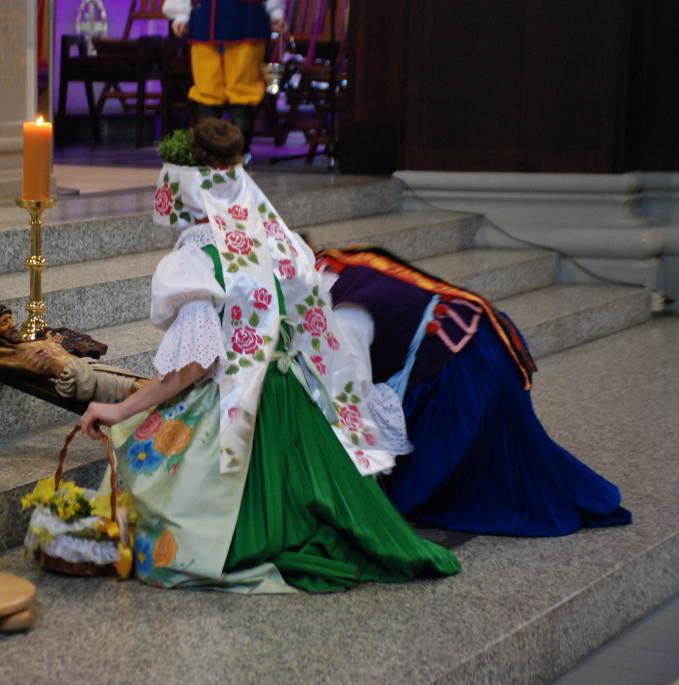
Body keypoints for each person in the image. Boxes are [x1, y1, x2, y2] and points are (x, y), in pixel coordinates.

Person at [79, 120, 460, 592]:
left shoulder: (195, 263)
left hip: (236, 408)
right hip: (295, 399)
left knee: (145, 474)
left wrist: (119, 409)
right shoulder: (282, 243)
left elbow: (194, 366)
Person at [315, 246, 633, 537]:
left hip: (469, 374)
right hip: (471, 349)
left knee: (446, 491)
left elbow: (347, 398)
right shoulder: (333, 265)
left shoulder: (342, 315)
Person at [162, 0, 288, 160]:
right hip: (206, 21)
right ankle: (209, 153)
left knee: (244, 90)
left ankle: (239, 153)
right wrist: (181, 14)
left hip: (246, 20)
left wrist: (276, 13)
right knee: (206, 89)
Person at [0, 305, 147, 403]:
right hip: (79, 378)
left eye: (10, 319)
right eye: (4, 323)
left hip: (89, 368)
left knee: (143, 383)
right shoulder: (1, 354)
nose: (12, 324)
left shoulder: (30, 344)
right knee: (139, 390)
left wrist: (49, 340)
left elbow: (47, 346)